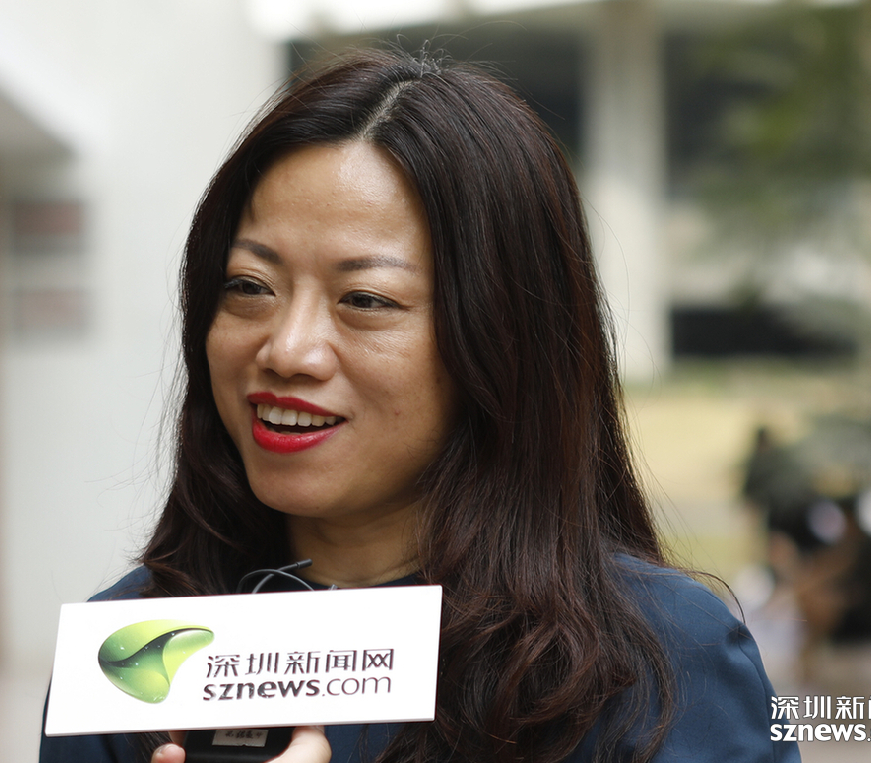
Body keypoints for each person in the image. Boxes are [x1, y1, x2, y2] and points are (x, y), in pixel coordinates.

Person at [40, 49, 799, 763]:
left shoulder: (665, 659)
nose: (287, 349)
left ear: (501, 339)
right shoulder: (132, 653)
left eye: (365, 299)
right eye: (249, 287)